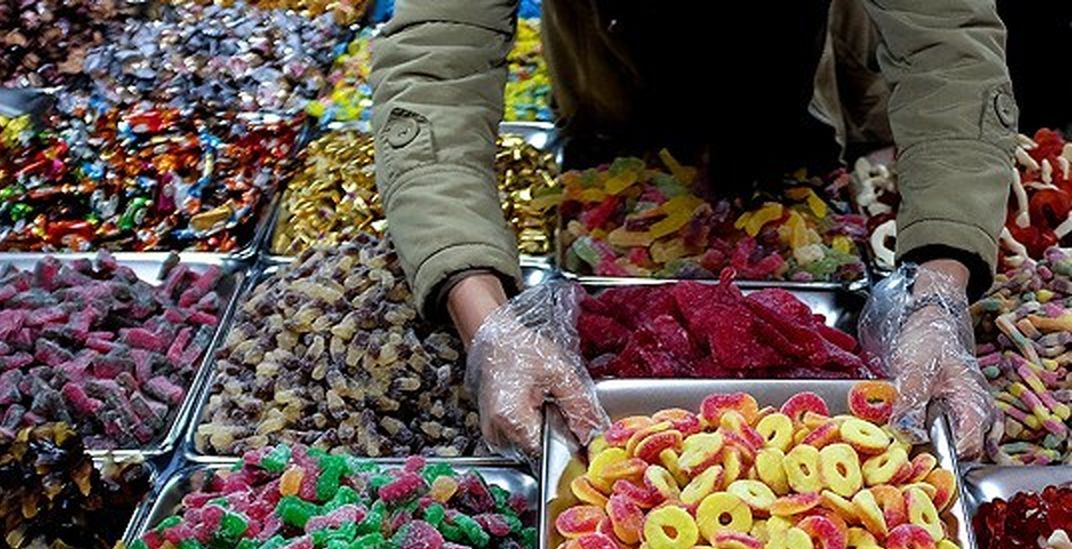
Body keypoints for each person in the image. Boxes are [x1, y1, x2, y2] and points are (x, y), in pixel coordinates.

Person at [371, 0, 1016, 460]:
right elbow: (436, 63)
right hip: (611, 89)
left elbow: (949, 48)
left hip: (793, 89)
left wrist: (938, 290)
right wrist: (484, 319)